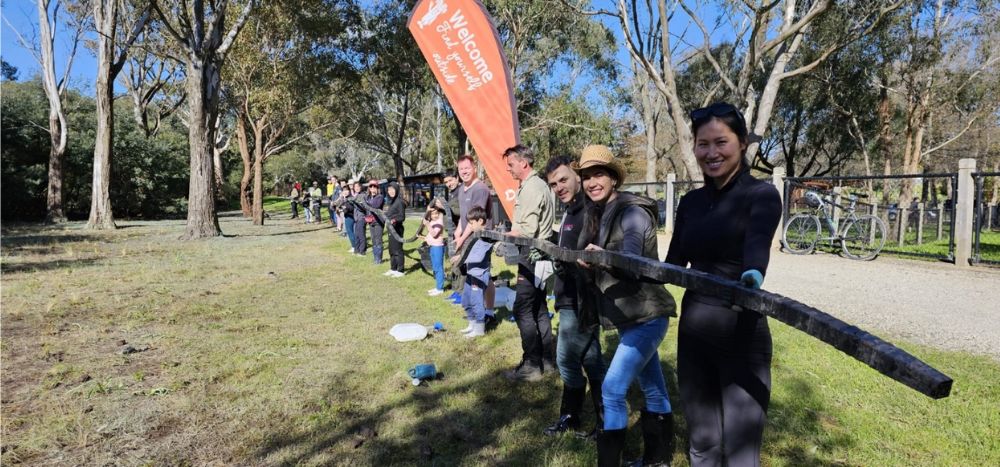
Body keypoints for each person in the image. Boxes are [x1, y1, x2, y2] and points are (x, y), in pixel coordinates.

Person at [664, 102, 781, 467]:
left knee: (742, 452)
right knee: (702, 443)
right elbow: (672, 265)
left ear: (742, 143)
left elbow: (757, 246)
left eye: (721, 142)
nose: (711, 153)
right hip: (694, 335)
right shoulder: (691, 202)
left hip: (741, 336)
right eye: (703, 144)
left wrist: (753, 276)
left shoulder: (760, 195)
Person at [572, 144, 677, 467]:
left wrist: (602, 259)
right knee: (653, 387)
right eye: (587, 177)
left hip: (648, 317)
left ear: (614, 177)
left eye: (598, 174)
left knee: (613, 389)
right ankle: (657, 461)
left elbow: (630, 260)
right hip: (632, 319)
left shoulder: (631, 212)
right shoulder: (603, 212)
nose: (592, 182)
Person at [541, 155, 606, 439]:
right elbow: (568, 245)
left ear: (577, 175)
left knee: (566, 359)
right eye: (554, 183)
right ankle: (602, 422)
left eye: (564, 179)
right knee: (591, 360)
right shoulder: (569, 209)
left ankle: (571, 416)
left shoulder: (590, 209)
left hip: (581, 299)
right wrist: (553, 250)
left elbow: (592, 255)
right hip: (567, 293)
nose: (559, 186)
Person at [503, 144, 556, 382]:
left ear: (524, 163)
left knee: (522, 308)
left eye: (511, 165)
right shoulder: (533, 185)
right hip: (538, 254)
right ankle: (547, 360)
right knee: (539, 307)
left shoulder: (533, 187)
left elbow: (527, 229)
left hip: (533, 254)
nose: (509, 170)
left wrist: (502, 239)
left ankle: (532, 364)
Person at [454, 155, 496, 321]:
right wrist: (458, 231)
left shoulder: (480, 189)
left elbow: (475, 221)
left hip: (481, 238)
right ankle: (479, 311)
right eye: (461, 169)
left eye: (467, 168)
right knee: (476, 274)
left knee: (482, 274)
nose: (464, 172)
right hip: (468, 237)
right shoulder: (461, 189)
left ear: (474, 168)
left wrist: (461, 239)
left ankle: (489, 313)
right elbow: (464, 217)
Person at [454, 206, 493, 338]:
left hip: (479, 276)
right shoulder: (476, 235)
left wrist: (461, 259)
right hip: (471, 273)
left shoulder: (486, 236)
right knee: (466, 300)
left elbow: (478, 257)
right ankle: (472, 324)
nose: (469, 226)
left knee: (476, 301)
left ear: (480, 221)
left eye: (471, 223)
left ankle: (479, 329)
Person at [423, 205, 448, 296]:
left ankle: (440, 288)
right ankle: (437, 286)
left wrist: (427, 224)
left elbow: (434, 234)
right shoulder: (432, 221)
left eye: (436, 213)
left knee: (438, 267)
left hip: (438, 247)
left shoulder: (439, 222)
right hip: (432, 246)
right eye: (432, 214)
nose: (435, 215)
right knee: (435, 267)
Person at [384, 181, 406, 277]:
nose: (391, 191)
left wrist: (394, 220)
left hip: (397, 229)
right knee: (391, 250)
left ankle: (400, 270)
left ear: (396, 190)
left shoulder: (399, 201)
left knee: (398, 250)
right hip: (390, 228)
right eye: (389, 190)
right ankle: (393, 268)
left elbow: (402, 217)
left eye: (393, 189)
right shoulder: (391, 201)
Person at [362, 180, 385, 264]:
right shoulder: (368, 197)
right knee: (373, 240)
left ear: (377, 188)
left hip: (379, 221)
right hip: (370, 221)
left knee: (378, 240)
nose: (372, 188)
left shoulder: (380, 197)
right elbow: (365, 207)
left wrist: (365, 202)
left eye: (374, 186)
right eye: (371, 186)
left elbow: (375, 206)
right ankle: (375, 258)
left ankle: (378, 259)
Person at [352, 181, 367, 255]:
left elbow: (365, 208)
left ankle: (362, 251)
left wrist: (357, 204)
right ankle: (356, 250)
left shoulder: (363, 195)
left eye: (358, 186)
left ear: (360, 187)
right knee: (357, 235)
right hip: (356, 218)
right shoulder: (356, 195)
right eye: (355, 187)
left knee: (361, 235)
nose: (356, 188)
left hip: (362, 217)